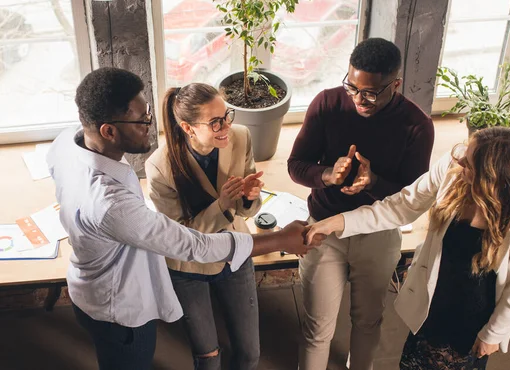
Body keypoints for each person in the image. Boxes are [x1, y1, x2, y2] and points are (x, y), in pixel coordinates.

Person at [46, 67, 324, 370]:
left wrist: (245, 198)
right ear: (108, 131)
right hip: (120, 310)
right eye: (141, 121)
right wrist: (280, 238)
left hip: (94, 288)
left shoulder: (66, 144)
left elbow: (241, 211)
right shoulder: (112, 202)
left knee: (248, 352)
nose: (150, 126)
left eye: (148, 113)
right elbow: (193, 246)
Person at [306, 127, 510, 369]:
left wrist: (493, 334)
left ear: (491, 181)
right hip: (433, 300)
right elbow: (402, 205)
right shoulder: (453, 170)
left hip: (472, 316)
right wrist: (339, 222)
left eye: (469, 163)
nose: (459, 161)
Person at [288, 37, 435, 370]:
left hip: (378, 234)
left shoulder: (417, 126)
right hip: (324, 229)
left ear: (395, 85)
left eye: (370, 93)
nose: (358, 98)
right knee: (317, 328)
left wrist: (375, 183)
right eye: (352, 87)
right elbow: (296, 165)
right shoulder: (327, 104)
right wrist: (327, 174)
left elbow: (413, 197)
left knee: (368, 321)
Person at [145, 83, 263, 370]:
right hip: (189, 268)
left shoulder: (241, 137)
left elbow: (247, 210)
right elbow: (180, 237)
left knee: (250, 355)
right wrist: (222, 204)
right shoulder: (160, 167)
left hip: (233, 255)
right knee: (208, 359)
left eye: (227, 115)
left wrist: (250, 197)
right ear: (188, 128)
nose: (226, 126)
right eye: (215, 122)